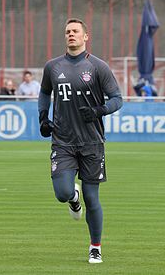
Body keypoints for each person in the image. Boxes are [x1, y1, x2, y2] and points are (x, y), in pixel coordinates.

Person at [38, 18, 123, 264]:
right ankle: (72, 199)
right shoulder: (52, 67)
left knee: (92, 198)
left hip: (92, 143)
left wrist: (100, 110)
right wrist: (43, 118)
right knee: (63, 192)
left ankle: (95, 246)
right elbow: (44, 92)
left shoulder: (98, 67)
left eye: (75, 31)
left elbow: (117, 98)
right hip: (63, 141)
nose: (71, 35)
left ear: (86, 36)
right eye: (67, 32)